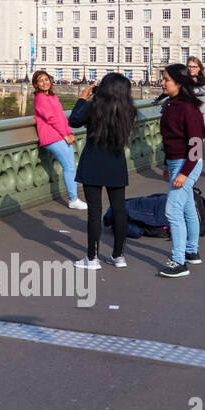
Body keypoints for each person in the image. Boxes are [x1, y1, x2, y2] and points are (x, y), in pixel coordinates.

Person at [67, 73, 137, 270]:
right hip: (116, 162)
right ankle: (119, 256)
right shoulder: (128, 110)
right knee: (119, 210)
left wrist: (82, 98)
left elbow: (73, 121)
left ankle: (92, 258)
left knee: (94, 212)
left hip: (93, 162)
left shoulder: (93, 107)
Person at [158, 64, 205, 279]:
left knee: (172, 211)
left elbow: (196, 143)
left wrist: (184, 173)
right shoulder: (170, 104)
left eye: (166, 79)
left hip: (188, 162)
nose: (162, 82)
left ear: (179, 83)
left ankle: (178, 261)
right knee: (187, 208)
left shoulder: (188, 108)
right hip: (176, 161)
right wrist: (168, 165)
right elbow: (169, 139)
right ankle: (191, 251)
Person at [32, 70, 86, 210]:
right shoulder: (40, 98)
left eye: (46, 79)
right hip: (51, 136)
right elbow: (51, 118)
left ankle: (74, 198)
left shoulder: (51, 96)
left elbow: (61, 116)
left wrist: (69, 131)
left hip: (59, 134)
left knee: (70, 166)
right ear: (36, 84)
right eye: (41, 80)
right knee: (69, 167)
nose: (45, 82)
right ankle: (73, 199)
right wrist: (64, 134)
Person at [187, 56, 205, 129]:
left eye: (194, 67)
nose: (191, 69)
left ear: (199, 68)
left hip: (203, 118)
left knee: (198, 140)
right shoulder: (183, 82)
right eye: (189, 66)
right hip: (187, 118)